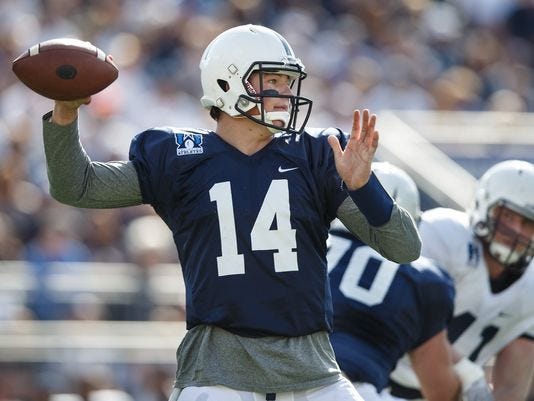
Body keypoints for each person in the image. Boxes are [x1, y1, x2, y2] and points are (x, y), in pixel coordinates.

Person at [40, 24, 421, 401]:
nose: (286, 93)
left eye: (288, 83)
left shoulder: (317, 156)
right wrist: (65, 113)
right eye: (274, 80)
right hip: (216, 373)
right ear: (229, 83)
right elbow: (77, 185)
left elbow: (404, 248)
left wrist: (363, 185)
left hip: (313, 372)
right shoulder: (180, 159)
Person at [328, 162, 493, 401]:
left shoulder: (307, 247)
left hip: (271, 380)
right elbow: (440, 390)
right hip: (352, 391)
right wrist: (470, 378)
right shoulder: (425, 279)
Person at [388, 160, 534, 401]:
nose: (516, 230)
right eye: (507, 215)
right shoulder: (445, 234)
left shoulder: (530, 285)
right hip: (379, 374)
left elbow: (513, 384)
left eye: (528, 222)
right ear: (485, 204)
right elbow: (410, 319)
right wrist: (469, 374)